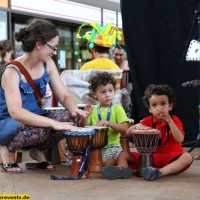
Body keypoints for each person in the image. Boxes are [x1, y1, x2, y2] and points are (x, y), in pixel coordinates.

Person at [0, 18, 88, 174]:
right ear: (38, 44)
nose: (54, 52)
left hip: (34, 119)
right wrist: (52, 123)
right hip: (9, 124)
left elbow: (64, 96)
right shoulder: (12, 72)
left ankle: (37, 150)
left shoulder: (48, 64)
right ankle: (7, 149)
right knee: (43, 127)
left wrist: (75, 111)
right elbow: (16, 113)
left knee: (68, 118)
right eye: (52, 48)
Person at [101, 84, 192, 180]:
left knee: (187, 157)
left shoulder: (174, 120)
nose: (159, 108)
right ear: (149, 109)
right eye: (154, 105)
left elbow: (180, 139)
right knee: (123, 154)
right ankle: (122, 170)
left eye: (163, 104)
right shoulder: (147, 121)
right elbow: (128, 133)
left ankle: (158, 173)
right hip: (149, 158)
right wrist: (136, 126)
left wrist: (169, 121)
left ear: (170, 106)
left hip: (171, 158)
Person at [80, 72, 129, 166]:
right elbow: (84, 128)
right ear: (95, 95)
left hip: (113, 146)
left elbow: (125, 129)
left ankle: (119, 168)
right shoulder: (93, 109)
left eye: (110, 91)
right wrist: (85, 116)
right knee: (84, 162)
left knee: (108, 163)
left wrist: (109, 123)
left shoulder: (117, 108)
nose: (107, 95)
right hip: (95, 147)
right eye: (103, 92)